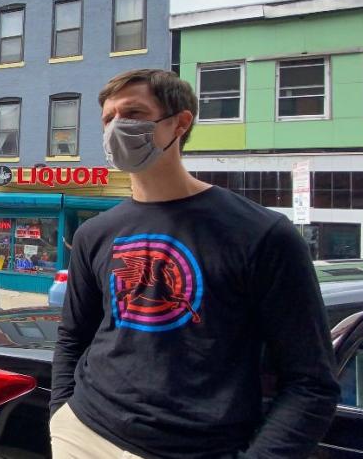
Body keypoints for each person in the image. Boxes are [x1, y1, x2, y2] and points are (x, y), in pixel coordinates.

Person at [49, 69, 339, 458]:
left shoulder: (263, 234)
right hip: (84, 433)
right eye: (108, 118)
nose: (117, 127)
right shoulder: (95, 233)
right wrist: (61, 415)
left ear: (180, 123)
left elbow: (311, 383)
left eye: (133, 113)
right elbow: (73, 337)